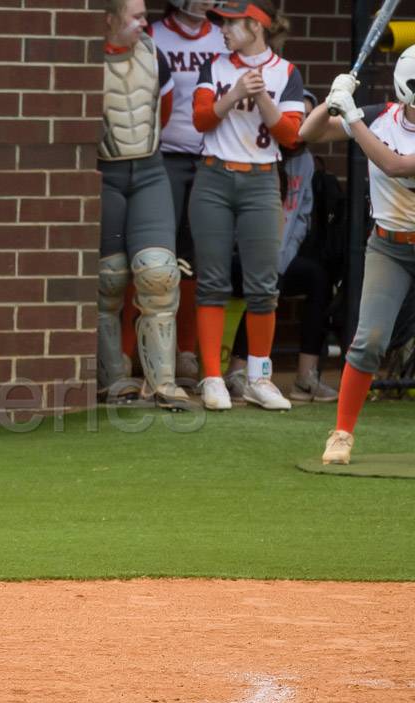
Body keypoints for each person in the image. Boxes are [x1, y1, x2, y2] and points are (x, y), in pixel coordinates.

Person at [300, 47, 415, 464]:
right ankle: (342, 432)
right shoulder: (379, 116)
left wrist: (350, 116)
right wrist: (333, 98)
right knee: (368, 341)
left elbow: (396, 165)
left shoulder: (365, 121)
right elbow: (308, 134)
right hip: (390, 245)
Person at [189, 0, 303, 411]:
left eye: (231, 23)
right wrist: (236, 91)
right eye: (221, 22)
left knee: (262, 285)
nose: (222, 29)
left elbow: (291, 136)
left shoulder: (285, 72)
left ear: (256, 25)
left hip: (260, 181)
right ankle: (213, 378)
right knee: (213, 280)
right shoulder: (216, 67)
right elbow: (201, 118)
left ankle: (259, 377)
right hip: (213, 176)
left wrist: (262, 99)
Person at [97, 0, 190, 409]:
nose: (145, 22)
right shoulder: (86, 58)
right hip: (105, 172)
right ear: (109, 19)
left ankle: (162, 384)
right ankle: (112, 379)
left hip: (150, 169)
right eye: (135, 16)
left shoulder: (154, 54)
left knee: (158, 274)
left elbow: (162, 111)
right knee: (110, 278)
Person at [225, 91, 339, 403]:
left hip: (281, 256)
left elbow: (301, 218)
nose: (299, 126)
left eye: (306, 119)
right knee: (266, 278)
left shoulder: (304, 161)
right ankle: (237, 373)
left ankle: (306, 377)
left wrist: (280, 258)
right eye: (294, 118)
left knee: (317, 277)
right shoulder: (258, 152)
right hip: (241, 255)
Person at [150, 0, 228, 383]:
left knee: (195, 258)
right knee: (157, 256)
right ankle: (149, 352)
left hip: (211, 157)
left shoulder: (222, 36)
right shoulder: (154, 34)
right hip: (164, 154)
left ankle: (185, 352)